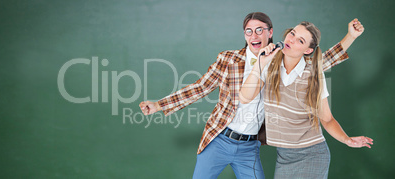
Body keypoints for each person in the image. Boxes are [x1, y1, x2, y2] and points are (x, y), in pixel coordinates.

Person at [139, 12, 362, 179]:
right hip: (219, 139)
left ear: (270, 33)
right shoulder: (228, 59)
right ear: (244, 35)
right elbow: (200, 88)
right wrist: (159, 105)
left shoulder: (281, 60)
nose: (254, 35)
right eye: (249, 31)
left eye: (260, 30)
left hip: (250, 147)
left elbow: (320, 61)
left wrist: (350, 37)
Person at [239, 21, 373, 178]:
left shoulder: (313, 73)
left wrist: (346, 140)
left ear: (308, 50)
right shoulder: (269, 65)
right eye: (293, 33)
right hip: (284, 156)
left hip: (312, 154)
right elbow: (245, 97)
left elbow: (327, 119)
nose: (291, 39)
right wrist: (259, 64)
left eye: (300, 40)